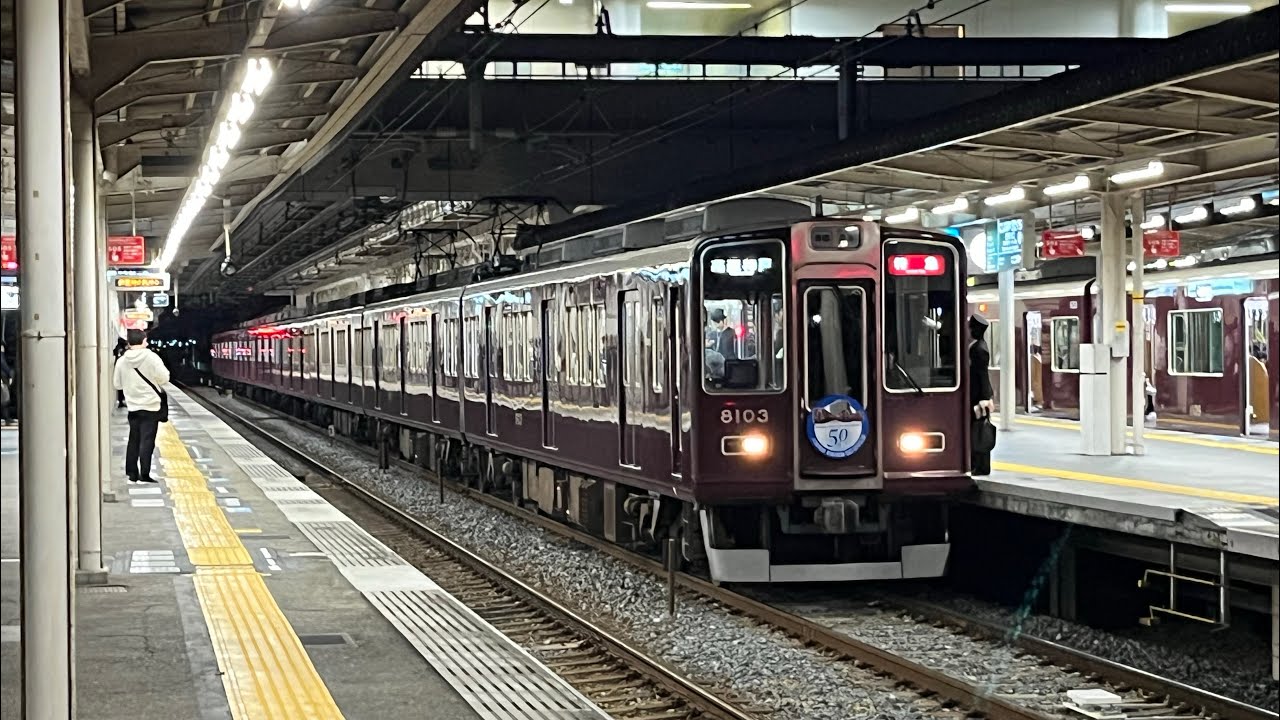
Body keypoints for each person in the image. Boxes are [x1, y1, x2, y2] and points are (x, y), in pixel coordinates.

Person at [113, 329, 170, 483]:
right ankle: (144, 473)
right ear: (144, 341)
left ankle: (132, 473)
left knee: (134, 439)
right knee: (147, 440)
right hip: (151, 406)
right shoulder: (151, 357)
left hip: (133, 406)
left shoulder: (122, 360)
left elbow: (117, 384)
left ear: (129, 342)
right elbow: (164, 378)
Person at [968, 314, 995, 476]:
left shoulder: (978, 349)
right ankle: (980, 465)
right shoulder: (981, 346)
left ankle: (981, 465)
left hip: (979, 397)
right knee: (980, 430)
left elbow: (982, 374)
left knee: (979, 431)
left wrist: (984, 398)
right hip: (980, 395)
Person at [113, 337, 128, 408]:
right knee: (122, 387)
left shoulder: (117, 348)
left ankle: (121, 401)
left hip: (118, 368)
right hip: (123, 370)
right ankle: (121, 401)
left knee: (120, 388)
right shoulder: (122, 350)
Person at [0, 343, 13, 426]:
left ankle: (6, 418)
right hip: (2, 378)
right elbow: (3, 364)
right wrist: (10, 373)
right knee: (5, 399)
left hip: (3, 378)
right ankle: (6, 418)